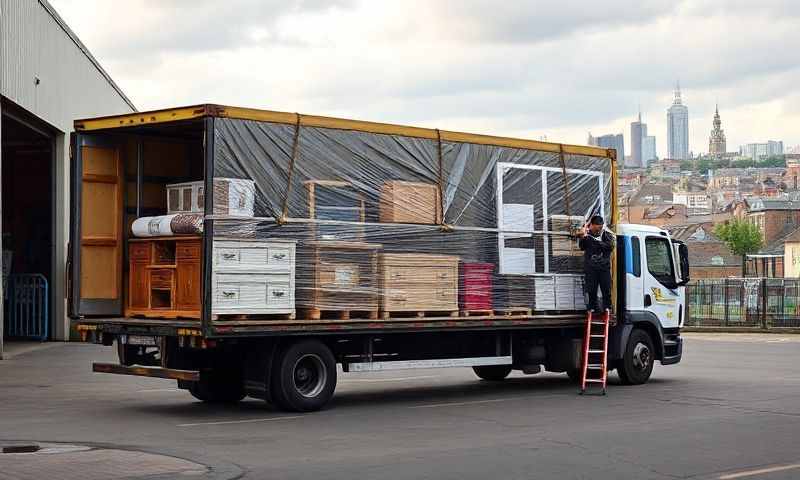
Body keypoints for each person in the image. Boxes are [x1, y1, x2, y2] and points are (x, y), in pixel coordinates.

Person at [577, 215, 615, 314]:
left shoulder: (606, 235)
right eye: (597, 228)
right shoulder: (588, 235)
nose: (598, 230)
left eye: (600, 227)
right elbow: (582, 247)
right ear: (592, 226)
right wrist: (584, 237)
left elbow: (610, 246)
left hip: (604, 267)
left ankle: (607, 307)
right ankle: (592, 307)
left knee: (606, 288)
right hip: (591, 268)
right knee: (591, 288)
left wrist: (599, 243)